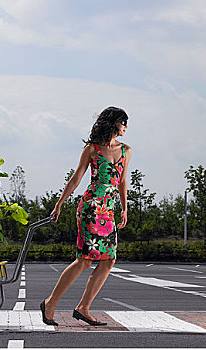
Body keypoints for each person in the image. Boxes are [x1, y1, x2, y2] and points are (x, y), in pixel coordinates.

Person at [40, 106, 131, 326]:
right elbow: (76, 179)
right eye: (124, 122)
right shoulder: (92, 149)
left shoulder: (126, 150)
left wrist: (124, 207)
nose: (126, 127)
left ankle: (83, 307)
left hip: (108, 212)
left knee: (108, 260)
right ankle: (50, 303)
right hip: (91, 208)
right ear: (113, 123)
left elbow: (122, 181)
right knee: (85, 260)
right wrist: (59, 204)